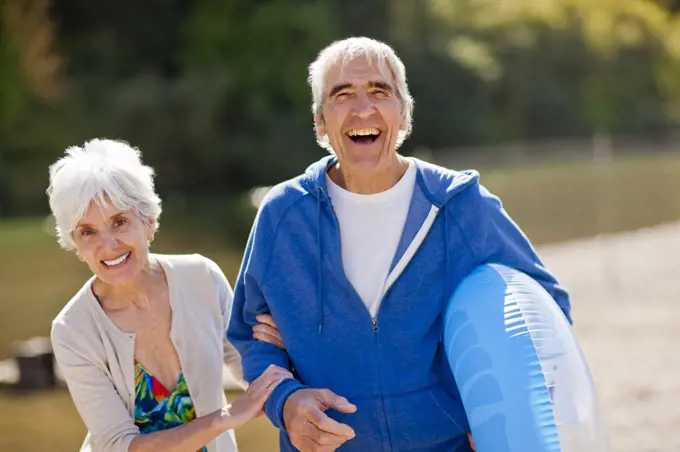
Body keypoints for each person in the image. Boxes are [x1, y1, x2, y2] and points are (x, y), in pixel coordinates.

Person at [227, 37, 571, 452]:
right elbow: (249, 339)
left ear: (403, 114)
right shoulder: (283, 215)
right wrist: (286, 402)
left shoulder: (460, 206)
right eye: (342, 95)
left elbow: (545, 307)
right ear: (320, 122)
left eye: (379, 91)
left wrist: (501, 412)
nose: (363, 108)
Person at [47, 139, 291, 452]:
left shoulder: (202, 276)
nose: (108, 245)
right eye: (87, 231)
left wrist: (284, 349)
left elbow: (248, 364)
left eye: (119, 222)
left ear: (148, 222)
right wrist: (225, 418)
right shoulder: (72, 330)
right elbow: (119, 446)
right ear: (76, 246)